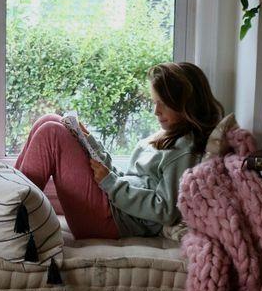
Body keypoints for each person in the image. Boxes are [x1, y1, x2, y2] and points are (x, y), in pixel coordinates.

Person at [15, 61, 224, 240]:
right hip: (112, 204)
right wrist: (90, 143)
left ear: (186, 104)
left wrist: (111, 184)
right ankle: (9, 198)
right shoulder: (167, 138)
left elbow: (166, 210)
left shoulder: (183, 151)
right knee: (50, 120)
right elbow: (128, 179)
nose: (155, 111)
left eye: (163, 104)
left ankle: (12, 216)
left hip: (113, 220)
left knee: (52, 132)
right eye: (154, 102)